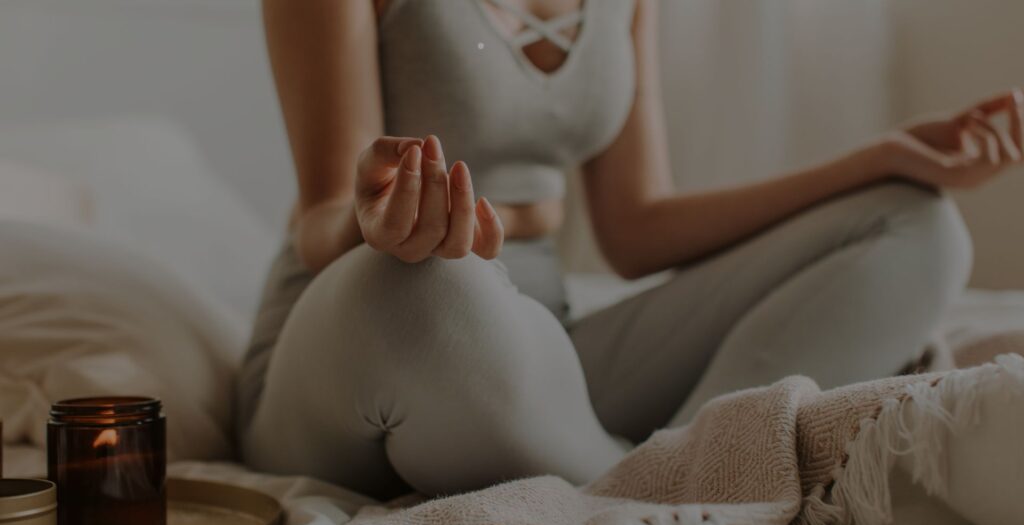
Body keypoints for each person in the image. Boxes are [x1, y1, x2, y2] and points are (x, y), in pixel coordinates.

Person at [236, 0, 1024, 499]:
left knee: (916, 225)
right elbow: (321, 215)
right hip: (357, 335)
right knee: (433, 289)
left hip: (536, 346)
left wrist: (881, 159)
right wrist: (376, 223)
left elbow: (638, 227)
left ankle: (682, 470)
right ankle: (640, 482)